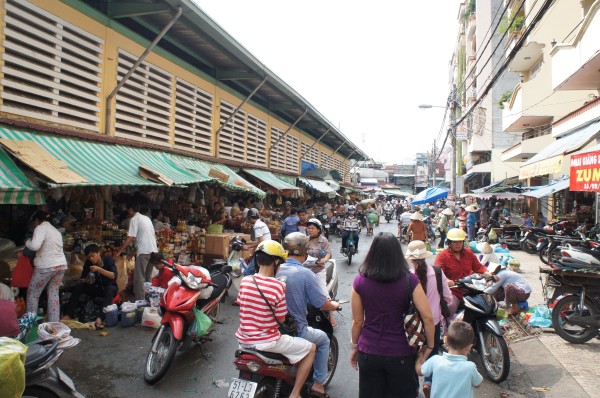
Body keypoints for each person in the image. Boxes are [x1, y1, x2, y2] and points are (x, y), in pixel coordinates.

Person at [350, 232, 435, 398]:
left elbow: (357, 321)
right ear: (398, 253)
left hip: (369, 352)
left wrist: (355, 346)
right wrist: (430, 346)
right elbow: (428, 317)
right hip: (402, 353)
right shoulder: (410, 280)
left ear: (372, 253)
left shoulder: (360, 280)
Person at [235, 240, 316, 398]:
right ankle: (295, 393)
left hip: (243, 341)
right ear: (277, 261)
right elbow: (280, 319)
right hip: (267, 341)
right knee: (311, 348)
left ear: (257, 260)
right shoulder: (278, 286)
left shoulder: (245, 281)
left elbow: (243, 306)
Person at [277, 233, 340, 397]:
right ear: (305, 252)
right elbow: (322, 303)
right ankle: (318, 384)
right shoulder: (306, 274)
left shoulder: (274, 269)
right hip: (296, 330)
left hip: (270, 329)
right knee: (324, 340)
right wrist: (334, 305)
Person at [405, 240, 453, 397]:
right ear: (425, 256)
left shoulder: (408, 277)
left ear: (411, 259)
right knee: (431, 354)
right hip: (434, 322)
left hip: (414, 325)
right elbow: (448, 298)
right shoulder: (438, 273)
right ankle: (428, 382)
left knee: (414, 355)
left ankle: (413, 388)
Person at [417, 321, 483, 398]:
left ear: (446, 340)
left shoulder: (435, 360)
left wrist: (419, 358)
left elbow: (419, 371)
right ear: (469, 347)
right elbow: (478, 384)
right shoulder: (470, 367)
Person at [434, 228, 491, 315]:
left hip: (471, 289)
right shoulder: (442, 256)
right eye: (455, 242)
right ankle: (448, 327)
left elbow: (478, 267)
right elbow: (438, 274)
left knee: (487, 305)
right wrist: (447, 281)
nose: (458, 244)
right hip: (454, 292)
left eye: (460, 242)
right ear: (449, 242)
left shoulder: (468, 252)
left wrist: (488, 273)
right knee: (450, 308)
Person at [25, 211, 67, 322]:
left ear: (37, 220)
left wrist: (27, 242)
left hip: (46, 266)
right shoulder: (55, 231)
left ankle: (30, 324)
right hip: (61, 266)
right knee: (53, 294)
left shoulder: (40, 228)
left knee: (33, 294)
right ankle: (54, 324)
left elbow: (34, 246)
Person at [62, 244, 118, 329]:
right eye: (89, 257)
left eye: (93, 256)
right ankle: (69, 314)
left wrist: (99, 269)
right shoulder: (88, 263)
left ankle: (100, 318)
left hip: (109, 287)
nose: (91, 259)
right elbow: (83, 278)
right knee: (79, 286)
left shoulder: (108, 260)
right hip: (95, 287)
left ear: (99, 253)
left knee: (110, 289)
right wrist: (86, 280)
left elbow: (113, 275)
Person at [115, 202, 158, 301]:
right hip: (153, 251)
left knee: (139, 279)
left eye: (128, 211)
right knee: (147, 277)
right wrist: (132, 252)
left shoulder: (134, 219)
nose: (128, 213)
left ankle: (140, 301)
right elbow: (144, 238)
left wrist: (119, 251)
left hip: (144, 252)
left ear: (131, 210)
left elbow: (131, 237)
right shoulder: (146, 218)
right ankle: (148, 297)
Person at [305, 218, 336, 327]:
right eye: (308, 228)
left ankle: (331, 313)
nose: (310, 230)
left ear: (318, 230)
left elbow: (328, 253)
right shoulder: (305, 240)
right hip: (306, 270)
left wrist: (324, 260)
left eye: (312, 228)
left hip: (318, 270)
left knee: (323, 291)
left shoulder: (323, 240)